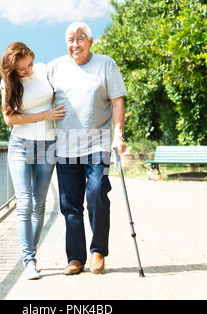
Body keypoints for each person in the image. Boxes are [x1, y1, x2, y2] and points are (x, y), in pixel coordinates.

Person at [47, 22, 127, 275]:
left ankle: (98, 252)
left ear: (91, 42)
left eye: (81, 39)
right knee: (70, 205)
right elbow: (39, 96)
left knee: (97, 195)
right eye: (70, 39)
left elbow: (117, 102)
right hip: (65, 146)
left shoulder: (106, 64)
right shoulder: (54, 68)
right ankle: (75, 258)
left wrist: (119, 134)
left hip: (98, 144)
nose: (75, 44)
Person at [0, 42, 66, 280]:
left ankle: (30, 255)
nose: (27, 71)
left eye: (28, 65)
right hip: (20, 146)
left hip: (48, 145)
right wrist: (44, 115)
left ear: (32, 58)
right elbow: (10, 119)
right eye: (21, 70)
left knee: (39, 205)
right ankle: (29, 261)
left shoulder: (44, 68)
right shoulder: (8, 83)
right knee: (25, 203)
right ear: (12, 70)